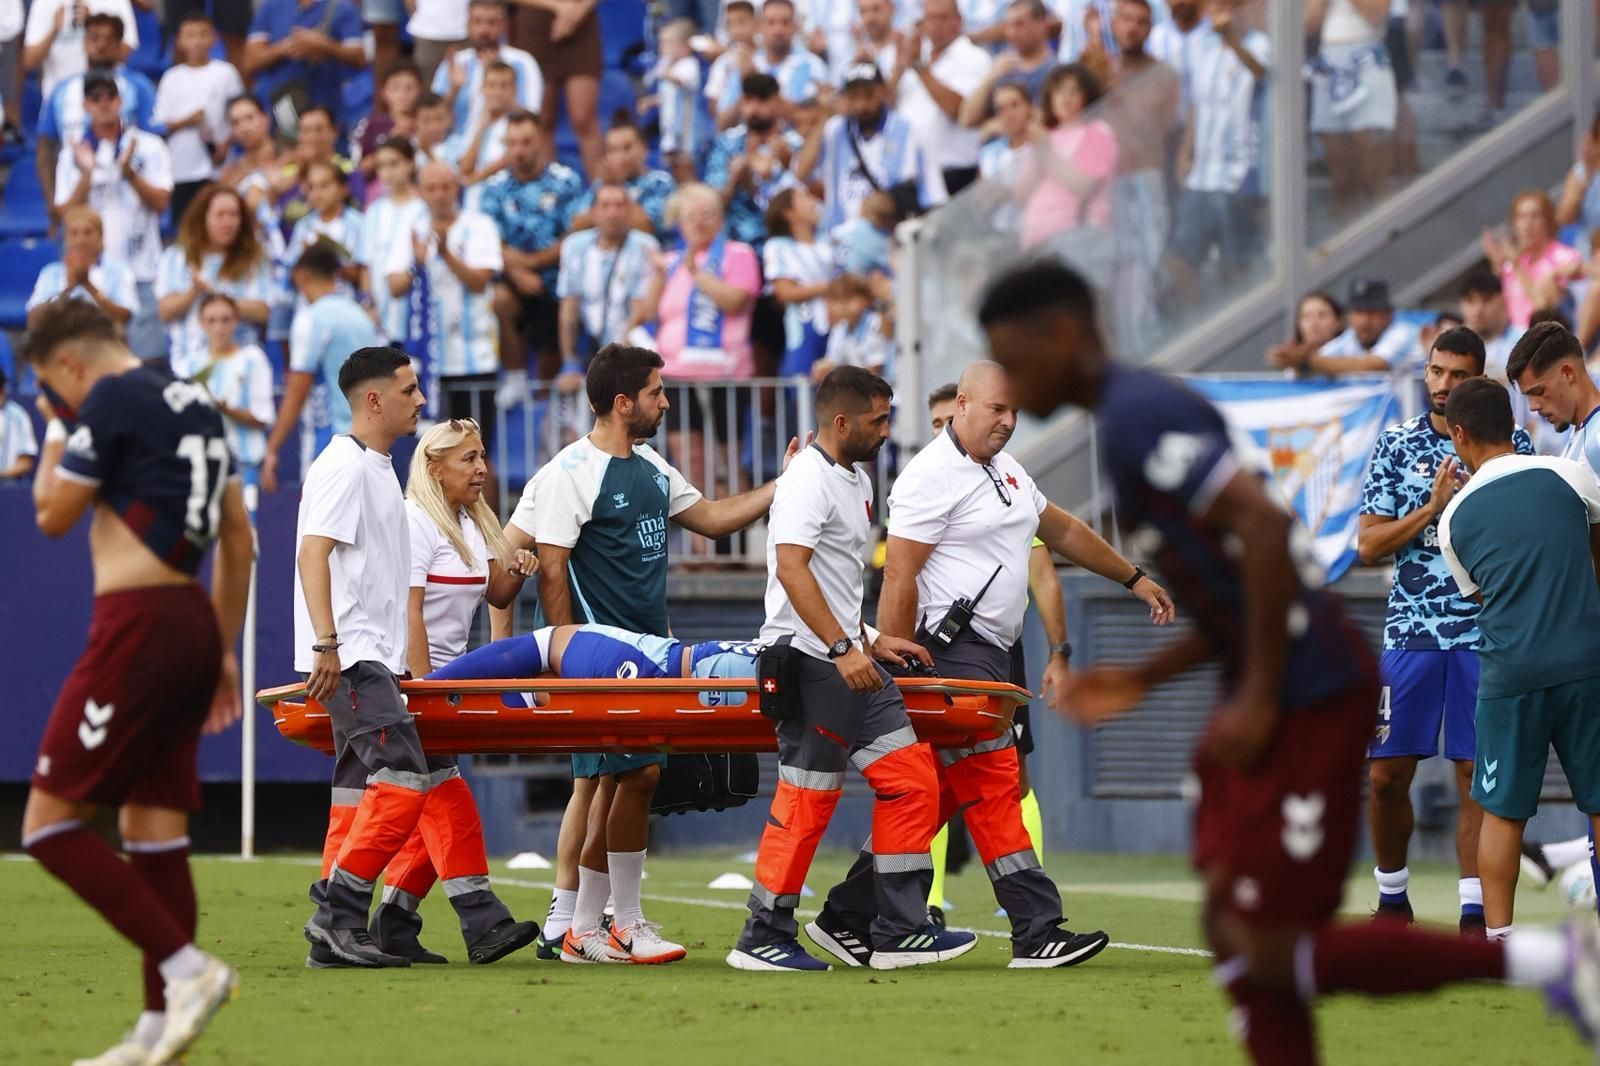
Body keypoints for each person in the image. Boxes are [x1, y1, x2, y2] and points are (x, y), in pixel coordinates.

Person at [976, 257, 1600, 1064]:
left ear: (1061, 334)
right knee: (1236, 932)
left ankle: (1548, 962)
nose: (1012, 385)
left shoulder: (1139, 416)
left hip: (1312, 690)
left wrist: (1264, 694)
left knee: (1269, 946)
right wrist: (1143, 676)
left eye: (1014, 357)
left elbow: (1268, 539)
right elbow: (1240, 583)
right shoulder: (1132, 418)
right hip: (1285, 679)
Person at [807, 360, 1173, 969]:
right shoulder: (930, 476)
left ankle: (845, 917)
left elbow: (1064, 530)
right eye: (997, 410)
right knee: (996, 781)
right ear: (964, 406)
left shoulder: (1006, 471)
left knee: (949, 793)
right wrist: (899, 668)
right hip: (945, 650)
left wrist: (1133, 578)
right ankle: (1035, 929)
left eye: (1015, 412)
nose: (1008, 421)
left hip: (991, 652)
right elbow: (900, 575)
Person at [21, 299, 250, 1065]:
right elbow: (240, 541)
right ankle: (156, 1031)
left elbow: (51, 512)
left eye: (55, 386)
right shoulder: (198, 401)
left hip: (138, 624)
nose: (60, 401)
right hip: (189, 619)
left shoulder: (110, 397)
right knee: (154, 829)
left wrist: (55, 426)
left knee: (48, 826)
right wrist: (219, 648)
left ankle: (188, 973)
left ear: (71, 366)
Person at [523, 343, 795, 964]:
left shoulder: (651, 467)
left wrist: (786, 483)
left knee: (621, 782)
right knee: (627, 778)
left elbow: (717, 518)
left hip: (650, 660)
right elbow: (551, 570)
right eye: (655, 391)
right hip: (600, 661)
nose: (665, 401)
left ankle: (589, 924)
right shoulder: (572, 473)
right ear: (623, 403)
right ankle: (601, 924)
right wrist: (568, 661)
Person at [728, 365, 978, 972]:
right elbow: (792, 570)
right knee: (807, 797)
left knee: (915, 783)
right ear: (841, 422)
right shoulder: (808, 481)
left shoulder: (854, 479)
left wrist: (873, 638)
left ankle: (892, 930)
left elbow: (834, 581)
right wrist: (844, 649)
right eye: (878, 420)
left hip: (850, 658)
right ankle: (762, 934)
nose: (888, 430)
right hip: (813, 663)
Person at [1356, 327, 1533, 932]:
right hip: (1409, 632)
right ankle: (1393, 897)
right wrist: (1430, 510)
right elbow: (1367, 545)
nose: (1442, 385)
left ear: (1481, 382)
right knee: (1384, 775)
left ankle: (1473, 912)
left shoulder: (1515, 446)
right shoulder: (1396, 445)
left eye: (1458, 376)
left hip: (1485, 635)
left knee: (1473, 776)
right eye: (1435, 372)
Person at [347, 418, 542, 965]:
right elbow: (409, 611)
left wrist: (518, 570)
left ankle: (395, 919)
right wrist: (421, 687)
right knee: (448, 797)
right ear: (434, 469)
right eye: (468, 459)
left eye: (482, 456)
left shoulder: (473, 523)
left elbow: (496, 592)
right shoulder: (414, 522)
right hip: (410, 681)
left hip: (445, 683)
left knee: (428, 805)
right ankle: (481, 918)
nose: (482, 468)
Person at [1437, 377, 1600, 935]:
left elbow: (1485, 594)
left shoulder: (1453, 519)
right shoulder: (1570, 474)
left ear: (1459, 434)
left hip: (1512, 675)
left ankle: (1497, 941)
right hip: (1587, 662)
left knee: (1504, 813)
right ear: (1512, 422)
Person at [294, 346, 433, 970]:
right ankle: (337, 914)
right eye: (409, 389)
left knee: (356, 791)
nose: (420, 399)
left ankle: (340, 931)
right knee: (403, 778)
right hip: (350, 657)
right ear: (373, 399)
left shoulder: (373, 465)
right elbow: (311, 553)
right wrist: (327, 643)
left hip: (367, 656)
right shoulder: (345, 466)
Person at [1508, 319, 1600, 908]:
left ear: (1569, 371)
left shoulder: (1594, 442)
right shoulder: (1577, 439)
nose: (1534, 408)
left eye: (1539, 393)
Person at [643, 183, 761, 500]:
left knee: (729, 460)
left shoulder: (739, 254)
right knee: (690, 462)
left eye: (707, 214)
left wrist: (698, 273)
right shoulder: (669, 262)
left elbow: (736, 301)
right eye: (691, 216)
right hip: (676, 374)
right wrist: (656, 276)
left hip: (727, 373)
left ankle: (737, 538)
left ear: (720, 219)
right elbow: (646, 312)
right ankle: (703, 545)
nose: (699, 222)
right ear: (679, 223)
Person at [52, 69, 171, 362]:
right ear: (85, 105)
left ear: (120, 101)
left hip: (143, 267)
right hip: (94, 273)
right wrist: (88, 174)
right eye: (95, 97)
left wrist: (130, 174)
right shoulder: (72, 154)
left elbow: (161, 203)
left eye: (110, 96)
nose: (103, 102)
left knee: (147, 361)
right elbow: (66, 213)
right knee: (94, 362)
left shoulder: (149, 146)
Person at [1167, 0, 1268, 297]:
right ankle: (1195, 319)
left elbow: (1260, 71)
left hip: (1241, 173)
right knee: (1180, 260)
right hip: (1202, 173)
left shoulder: (1261, 43)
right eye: (1216, 4)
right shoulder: (1203, 47)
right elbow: (1198, 104)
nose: (1220, 11)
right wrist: (1186, 150)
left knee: (1236, 263)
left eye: (1228, 4)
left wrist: (1231, 40)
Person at [482, 111, 584, 400]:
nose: (519, 150)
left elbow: (573, 236)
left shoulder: (566, 181)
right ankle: (514, 377)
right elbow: (490, 240)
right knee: (498, 298)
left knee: (560, 309)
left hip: (556, 280)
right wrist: (517, 272)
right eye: (512, 143)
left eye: (526, 142)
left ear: (540, 141)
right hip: (510, 278)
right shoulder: (494, 186)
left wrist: (533, 264)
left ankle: (543, 398)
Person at [262, 244, 382, 491]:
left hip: (330, 441)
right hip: (372, 439)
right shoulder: (362, 317)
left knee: (318, 524)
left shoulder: (312, 319)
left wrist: (273, 448)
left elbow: (298, 389)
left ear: (301, 276)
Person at [797, 61, 947, 233]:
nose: (861, 105)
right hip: (842, 244)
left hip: (892, 242)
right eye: (854, 97)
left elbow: (934, 196)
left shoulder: (910, 130)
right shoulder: (835, 129)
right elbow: (802, 172)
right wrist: (825, 114)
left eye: (868, 95)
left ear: (882, 91)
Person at [36, 12, 155, 226]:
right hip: (77, 198)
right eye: (95, 37)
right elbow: (45, 149)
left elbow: (155, 144)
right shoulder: (62, 91)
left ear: (120, 45)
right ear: (84, 41)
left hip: (129, 200)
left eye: (109, 39)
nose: (101, 45)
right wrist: (52, 203)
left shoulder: (139, 88)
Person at [155, 185, 275, 379]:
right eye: (220, 215)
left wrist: (220, 297)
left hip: (241, 369)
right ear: (203, 218)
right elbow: (165, 311)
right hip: (187, 365)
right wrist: (193, 292)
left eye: (234, 215)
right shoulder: (175, 258)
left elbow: (263, 312)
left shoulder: (254, 260)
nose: (228, 222)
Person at [1015, 64, 1118, 288]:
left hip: (1077, 237)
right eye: (1060, 91)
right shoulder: (1046, 137)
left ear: (1087, 96)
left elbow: (1083, 184)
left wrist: (1045, 149)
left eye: (1074, 92)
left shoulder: (1097, 132)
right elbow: (1022, 193)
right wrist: (1038, 147)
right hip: (1037, 242)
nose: (1066, 98)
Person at [555, 180, 661, 384]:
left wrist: (617, 362)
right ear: (593, 212)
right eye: (605, 206)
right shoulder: (575, 246)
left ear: (630, 211)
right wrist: (570, 361)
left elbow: (639, 312)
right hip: (593, 345)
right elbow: (569, 308)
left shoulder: (645, 246)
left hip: (632, 348)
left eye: (620, 205)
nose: (613, 213)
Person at [891, 0, 993, 195]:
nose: (935, 24)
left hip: (954, 172)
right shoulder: (914, 59)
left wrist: (919, 67)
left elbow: (958, 109)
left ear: (958, 21)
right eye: (930, 18)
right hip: (912, 173)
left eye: (943, 17)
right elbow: (886, 112)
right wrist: (898, 70)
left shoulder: (974, 58)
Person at [1307, 0, 1396, 218]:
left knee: (1374, 178)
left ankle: (1384, 242)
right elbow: (1309, 24)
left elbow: (1377, 13)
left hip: (1367, 55)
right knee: (1340, 181)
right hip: (1328, 61)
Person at [155, 14, 244, 226]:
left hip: (216, 167)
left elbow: (239, 113)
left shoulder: (225, 73)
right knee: (185, 223)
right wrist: (188, 121)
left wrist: (227, 143)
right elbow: (160, 124)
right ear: (180, 40)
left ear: (213, 39)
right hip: (181, 167)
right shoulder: (171, 78)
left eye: (202, 34)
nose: (196, 41)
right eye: (190, 35)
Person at [703, 72, 806, 251]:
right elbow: (712, 204)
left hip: (784, 245)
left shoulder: (795, 145)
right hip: (735, 246)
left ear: (777, 102)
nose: (754, 108)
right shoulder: (727, 144)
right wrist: (735, 180)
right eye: (749, 100)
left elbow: (804, 205)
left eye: (762, 100)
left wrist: (788, 165)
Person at [509, 0, 602, 177]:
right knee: (541, 120)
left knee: (585, 119)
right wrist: (558, 6)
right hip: (534, 24)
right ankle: (548, 191)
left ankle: (603, 192)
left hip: (583, 22)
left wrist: (578, 11)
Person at [242, 0, 365, 131]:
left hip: (324, 108)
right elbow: (250, 61)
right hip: (279, 106)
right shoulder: (271, 5)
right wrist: (286, 47)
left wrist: (323, 45)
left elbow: (359, 58)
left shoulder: (342, 8)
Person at [195, 293, 275, 489]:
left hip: (245, 464)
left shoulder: (253, 359)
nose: (218, 328)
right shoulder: (189, 365)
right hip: (202, 466)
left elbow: (262, 417)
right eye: (211, 321)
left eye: (225, 320)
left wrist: (226, 409)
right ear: (201, 323)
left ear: (236, 321)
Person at [1271, 277, 1417, 377]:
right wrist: (1296, 362)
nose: (1365, 321)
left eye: (1372, 312)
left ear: (1388, 314)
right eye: (1359, 312)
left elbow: (1374, 365)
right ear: (1349, 315)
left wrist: (1307, 363)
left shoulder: (1403, 332)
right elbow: (1325, 359)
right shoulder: (1350, 338)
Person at [433, 0, 542, 133]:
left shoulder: (523, 63)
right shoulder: (455, 63)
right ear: (468, 24)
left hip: (506, 144)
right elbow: (433, 118)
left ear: (504, 26)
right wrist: (455, 89)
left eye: (491, 23)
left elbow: (532, 118)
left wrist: (498, 84)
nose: (484, 30)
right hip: (457, 145)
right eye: (477, 22)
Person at [360, 139, 430, 346]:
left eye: (394, 164)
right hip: (379, 315)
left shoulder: (423, 209)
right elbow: (367, 262)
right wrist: (368, 302)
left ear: (411, 163)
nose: (387, 172)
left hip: (413, 311)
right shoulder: (374, 211)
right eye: (381, 166)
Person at [1481, 190, 1582, 332]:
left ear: (1548, 221)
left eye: (1535, 216)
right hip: (1517, 338)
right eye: (1521, 217)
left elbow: (1544, 308)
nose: (1527, 224)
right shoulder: (1511, 263)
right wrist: (1497, 265)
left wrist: (1517, 266)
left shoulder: (1565, 257)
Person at [27, 205, 139, 330]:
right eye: (74, 233)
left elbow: (124, 317)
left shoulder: (119, 271)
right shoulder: (51, 273)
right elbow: (34, 319)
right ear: (66, 238)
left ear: (100, 237)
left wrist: (88, 285)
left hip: (104, 342)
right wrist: (67, 288)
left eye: (88, 232)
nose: (80, 241)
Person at [762, 186, 833, 378]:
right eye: (804, 197)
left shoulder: (828, 242)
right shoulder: (778, 247)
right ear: (790, 214)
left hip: (835, 326)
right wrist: (829, 287)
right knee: (803, 388)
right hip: (803, 329)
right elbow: (785, 292)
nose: (813, 202)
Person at [713, 0, 829, 116]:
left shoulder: (813, 65)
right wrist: (747, 82)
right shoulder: (747, 64)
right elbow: (722, 122)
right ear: (759, 26)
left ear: (795, 26)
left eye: (785, 22)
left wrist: (756, 79)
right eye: (771, 22)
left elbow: (812, 120)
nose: (778, 30)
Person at [958, 0, 1059, 129]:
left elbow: (1050, 123)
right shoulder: (1001, 68)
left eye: (1019, 25)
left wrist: (997, 125)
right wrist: (990, 77)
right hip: (997, 148)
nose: (1012, 32)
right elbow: (967, 119)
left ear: (1042, 24)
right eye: (1009, 25)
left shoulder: (1055, 71)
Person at [569, 116, 676, 237]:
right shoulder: (601, 184)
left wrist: (617, 186)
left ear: (644, 148)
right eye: (613, 150)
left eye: (627, 147)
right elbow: (576, 226)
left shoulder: (660, 182)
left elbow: (646, 227)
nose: (621, 156)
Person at [22, 0, 138, 104]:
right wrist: (54, 31)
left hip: (107, 101)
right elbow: (29, 61)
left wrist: (92, 26)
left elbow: (124, 53)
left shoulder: (117, 2)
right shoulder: (45, 3)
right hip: (59, 101)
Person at [351, 61, 424, 189]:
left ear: (420, 90)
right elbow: (359, 171)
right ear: (384, 92)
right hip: (379, 193)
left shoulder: (427, 124)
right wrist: (391, 140)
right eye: (395, 88)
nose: (402, 94)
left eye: (409, 88)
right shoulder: (370, 125)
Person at [647, 18, 703, 171]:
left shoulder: (689, 64)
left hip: (685, 131)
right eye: (662, 43)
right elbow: (666, 97)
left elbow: (683, 82)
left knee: (684, 165)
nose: (662, 49)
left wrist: (665, 73)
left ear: (685, 46)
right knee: (667, 163)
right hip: (668, 128)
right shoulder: (668, 65)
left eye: (668, 43)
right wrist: (651, 101)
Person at [814, 273, 891, 381]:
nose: (843, 304)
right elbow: (831, 361)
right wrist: (823, 369)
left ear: (866, 299)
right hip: (859, 390)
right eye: (838, 299)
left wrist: (840, 375)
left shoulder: (876, 323)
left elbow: (875, 369)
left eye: (850, 297)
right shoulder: (840, 329)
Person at [705, 0, 758, 130]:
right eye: (730, 24)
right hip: (731, 130)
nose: (737, 30)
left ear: (756, 23)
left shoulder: (764, 58)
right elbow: (714, 108)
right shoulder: (722, 64)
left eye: (742, 22)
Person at [1263, 291, 1345, 373]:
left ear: (1338, 322)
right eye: (1307, 316)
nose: (1314, 323)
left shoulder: (1350, 349)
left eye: (1322, 315)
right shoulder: (1292, 360)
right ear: (1298, 324)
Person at [0, 366, 37, 480]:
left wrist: (2, 475)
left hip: (9, 484)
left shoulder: (18, 416)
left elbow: (25, 463)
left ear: (2, 391)